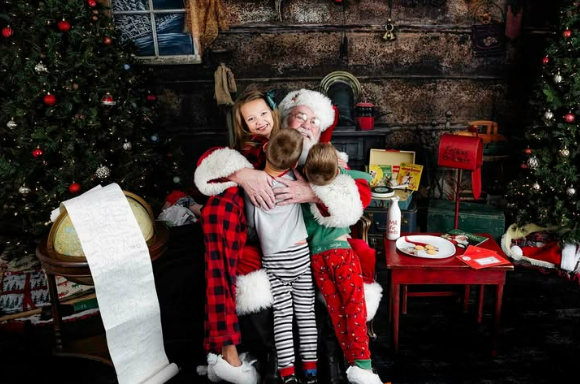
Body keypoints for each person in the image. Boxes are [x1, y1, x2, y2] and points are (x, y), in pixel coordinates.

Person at [194, 88, 380, 384]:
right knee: (224, 224)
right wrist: (242, 174)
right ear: (285, 121)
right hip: (272, 246)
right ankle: (270, 358)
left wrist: (313, 191)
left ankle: (331, 359)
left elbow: (360, 192)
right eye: (300, 117)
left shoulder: (322, 158)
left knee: (325, 282)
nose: (307, 125)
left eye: (314, 121)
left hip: (314, 246)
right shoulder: (268, 150)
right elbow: (212, 160)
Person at [301, 142, 383, 384]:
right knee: (354, 309)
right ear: (336, 169)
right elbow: (365, 176)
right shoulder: (339, 183)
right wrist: (343, 168)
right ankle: (363, 366)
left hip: (317, 259)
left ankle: (352, 363)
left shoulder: (304, 189)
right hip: (340, 254)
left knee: (337, 313)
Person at [244, 128, 317, 384]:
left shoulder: (252, 186)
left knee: (283, 317)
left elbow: (252, 224)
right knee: (306, 313)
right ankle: (310, 371)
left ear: (265, 149)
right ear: (295, 163)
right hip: (299, 254)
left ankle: (287, 374)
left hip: (274, 258)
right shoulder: (295, 180)